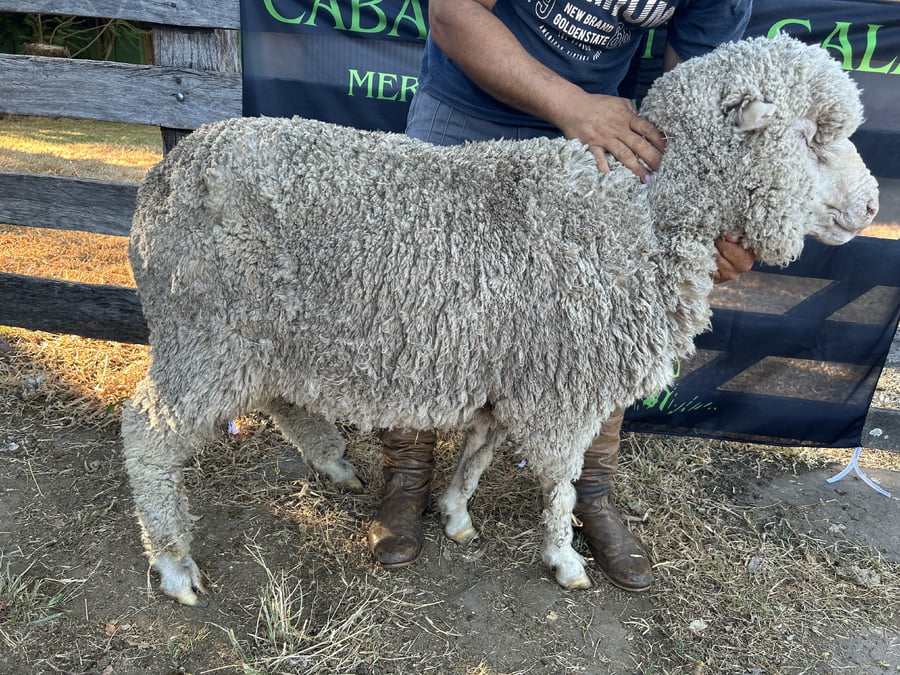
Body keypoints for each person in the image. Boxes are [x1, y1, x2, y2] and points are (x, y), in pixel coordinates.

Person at [367, 0, 755, 592]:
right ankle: (407, 474)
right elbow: (452, 13)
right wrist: (570, 105)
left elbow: (697, 98)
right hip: (473, 102)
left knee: (611, 313)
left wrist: (718, 232)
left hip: (602, 126)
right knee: (423, 298)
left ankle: (589, 491)